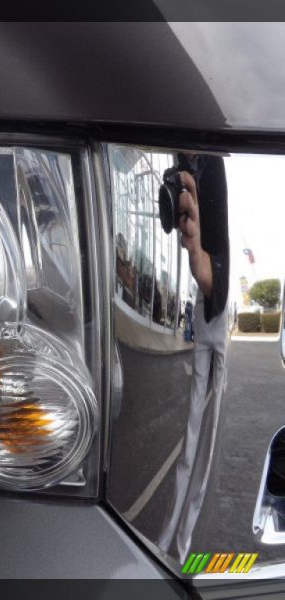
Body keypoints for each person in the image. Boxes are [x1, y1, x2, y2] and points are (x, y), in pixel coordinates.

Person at [158, 153, 230, 563]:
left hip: (216, 308)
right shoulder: (179, 161)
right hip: (202, 313)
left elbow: (221, 225)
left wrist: (212, 275)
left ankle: (181, 547)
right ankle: (167, 542)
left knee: (207, 437)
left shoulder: (212, 164)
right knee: (191, 439)